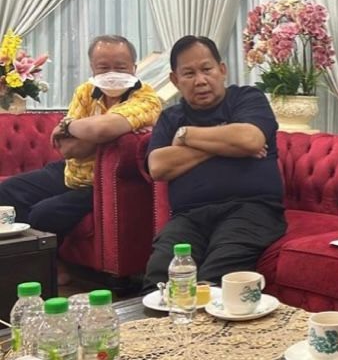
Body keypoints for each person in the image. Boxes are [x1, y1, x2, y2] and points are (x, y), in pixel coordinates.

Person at [142, 35, 286, 289]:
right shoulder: (170, 117)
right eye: (189, 73)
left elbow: (250, 139)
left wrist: (186, 136)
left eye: (207, 69)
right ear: (175, 80)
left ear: (222, 70)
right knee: (160, 279)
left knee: (215, 279)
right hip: (189, 217)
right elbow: (158, 166)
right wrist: (226, 143)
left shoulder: (247, 98)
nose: (200, 80)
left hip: (250, 210)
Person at [0, 35, 161, 238]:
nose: (112, 74)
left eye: (120, 68)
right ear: (92, 68)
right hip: (71, 170)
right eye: (104, 68)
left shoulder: (147, 99)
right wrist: (105, 133)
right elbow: (69, 149)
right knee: (7, 192)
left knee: (43, 214)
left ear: (134, 69)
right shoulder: (85, 91)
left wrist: (67, 125)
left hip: (102, 181)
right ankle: (24, 254)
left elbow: (101, 130)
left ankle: (48, 255)